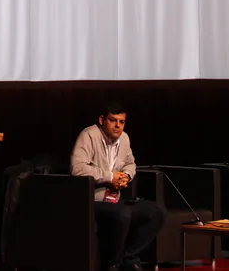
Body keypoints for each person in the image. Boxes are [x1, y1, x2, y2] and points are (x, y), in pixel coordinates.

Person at [70, 103, 166, 271]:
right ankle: (112, 264)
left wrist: (126, 176)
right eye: (113, 120)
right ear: (102, 120)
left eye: (121, 122)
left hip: (116, 199)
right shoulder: (89, 136)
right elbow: (77, 168)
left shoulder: (124, 139)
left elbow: (130, 163)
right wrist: (110, 176)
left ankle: (129, 258)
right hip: (92, 201)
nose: (117, 126)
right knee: (121, 213)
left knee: (156, 211)